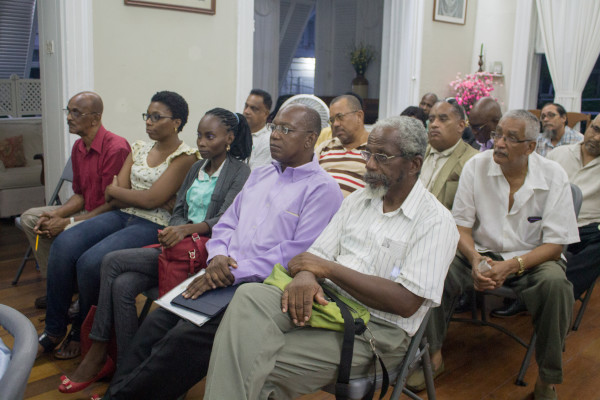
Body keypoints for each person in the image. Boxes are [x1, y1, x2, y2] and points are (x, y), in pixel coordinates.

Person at [202, 116, 459, 400]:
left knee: (246, 361)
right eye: (368, 154)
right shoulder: (358, 201)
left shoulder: (435, 222)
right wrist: (306, 276)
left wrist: (326, 270)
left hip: (378, 331)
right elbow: (313, 258)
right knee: (250, 296)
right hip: (325, 302)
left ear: (414, 164)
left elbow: (406, 302)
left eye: (382, 157)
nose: (370, 165)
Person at [100, 103, 343, 400]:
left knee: (181, 341)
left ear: (310, 139)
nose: (275, 136)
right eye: (275, 127)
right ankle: (116, 393)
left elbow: (295, 253)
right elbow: (228, 223)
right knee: (156, 323)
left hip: (257, 289)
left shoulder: (322, 189)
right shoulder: (261, 175)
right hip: (219, 271)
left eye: (286, 130)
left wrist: (231, 271)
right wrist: (216, 257)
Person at [57, 108, 253, 393]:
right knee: (122, 285)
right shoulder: (198, 167)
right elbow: (178, 209)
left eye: (210, 136)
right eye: (199, 135)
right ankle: (127, 369)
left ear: (229, 138)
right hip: (177, 250)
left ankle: (98, 352)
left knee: (111, 262)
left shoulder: (240, 171)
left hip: (205, 255)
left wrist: (185, 230)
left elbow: (225, 219)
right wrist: (173, 231)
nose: (201, 142)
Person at [417, 110, 579, 400]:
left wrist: (511, 266)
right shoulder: (477, 166)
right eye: (498, 134)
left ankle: (547, 378)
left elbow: (555, 245)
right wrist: (477, 259)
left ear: (531, 146)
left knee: (557, 286)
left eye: (511, 138)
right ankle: (434, 355)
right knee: (435, 266)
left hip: (533, 259)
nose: (500, 143)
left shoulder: (553, 175)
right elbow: (460, 227)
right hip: (479, 254)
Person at [37, 91, 199, 360]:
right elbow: (115, 194)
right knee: (64, 243)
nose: (148, 121)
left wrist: (136, 195)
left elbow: (148, 199)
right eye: (147, 115)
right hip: (123, 214)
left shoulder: (185, 156)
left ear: (176, 122)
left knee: (91, 262)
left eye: (156, 117)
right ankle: (54, 329)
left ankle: (80, 331)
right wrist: (140, 196)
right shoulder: (138, 147)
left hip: (154, 223)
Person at [20, 92, 130, 309]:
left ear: (96, 118)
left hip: (109, 217)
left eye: (76, 112)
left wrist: (69, 223)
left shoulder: (116, 148)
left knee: (64, 230)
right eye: (68, 111)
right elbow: (80, 195)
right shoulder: (79, 147)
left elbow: (114, 203)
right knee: (33, 219)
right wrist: (57, 214)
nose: (69, 117)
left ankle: (72, 291)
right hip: (86, 211)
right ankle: (60, 287)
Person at [420, 100, 478, 210]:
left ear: (461, 126)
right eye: (431, 120)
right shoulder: (417, 153)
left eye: (442, 119)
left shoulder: (473, 160)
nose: (434, 124)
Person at [316, 94, 370, 197]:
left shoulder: (374, 150)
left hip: (352, 211)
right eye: (332, 120)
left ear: (359, 116)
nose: (335, 124)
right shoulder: (325, 147)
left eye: (340, 117)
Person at [244, 88, 273, 169]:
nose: (246, 111)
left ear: (265, 114)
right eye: (246, 106)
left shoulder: (268, 141)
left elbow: (255, 177)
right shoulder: (237, 134)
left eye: (253, 108)